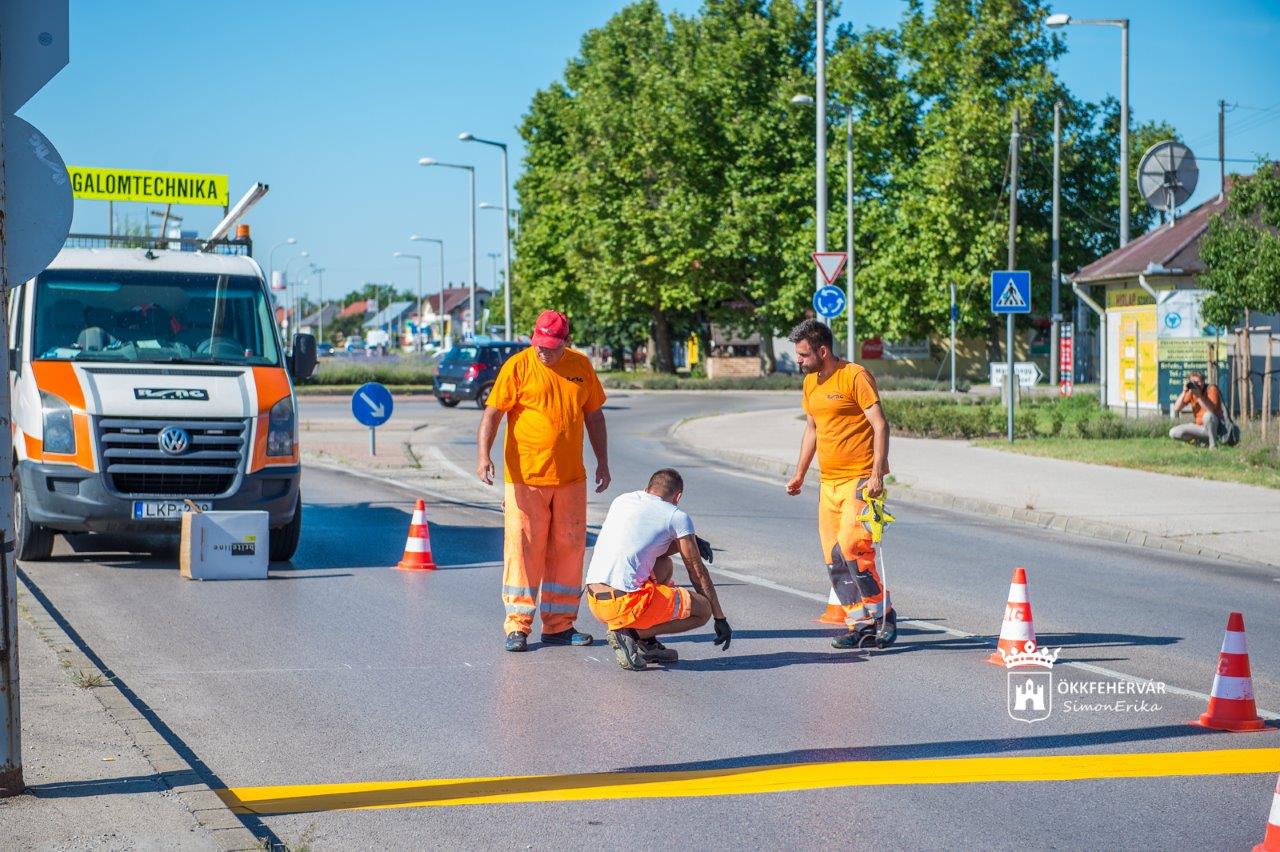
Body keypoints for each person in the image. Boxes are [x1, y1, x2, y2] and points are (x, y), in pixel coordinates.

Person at [477, 309, 610, 652]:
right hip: (526, 480)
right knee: (523, 552)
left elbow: (594, 415)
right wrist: (483, 456)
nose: (543, 351)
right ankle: (518, 626)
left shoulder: (581, 367)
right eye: (539, 344)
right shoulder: (518, 366)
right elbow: (492, 413)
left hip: (570, 480)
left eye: (551, 345)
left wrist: (603, 462)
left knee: (568, 551)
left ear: (567, 341)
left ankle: (560, 625)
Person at [784, 318, 895, 649]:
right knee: (834, 558)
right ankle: (858, 622)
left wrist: (877, 473)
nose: (798, 361)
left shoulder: (855, 375)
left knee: (852, 547)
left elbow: (880, 425)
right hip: (828, 483)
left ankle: (883, 614)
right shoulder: (810, 384)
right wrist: (800, 473)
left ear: (822, 350)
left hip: (860, 479)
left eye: (803, 355)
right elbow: (812, 430)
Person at [585, 468, 731, 671]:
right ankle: (631, 635)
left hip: (596, 600)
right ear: (678, 496)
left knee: (663, 564)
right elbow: (697, 572)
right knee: (703, 609)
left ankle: (646, 643)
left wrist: (693, 541)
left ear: (648, 488)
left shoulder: (622, 500)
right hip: (625, 604)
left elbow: (649, 543)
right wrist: (719, 617)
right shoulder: (676, 516)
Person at [1169, 371, 1225, 448]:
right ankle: (1200, 443)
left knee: (1208, 416)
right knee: (1173, 432)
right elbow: (1176, 408)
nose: (1196, 385)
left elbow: (1211, 410)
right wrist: (1184, 391)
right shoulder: (1191, 392)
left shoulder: (1211, 389)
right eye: (1193, 382)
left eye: (1198, 382)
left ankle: (1213, 445)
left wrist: (1198, 396)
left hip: (1215, 428)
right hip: (1200, 428)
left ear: (1203, 381)